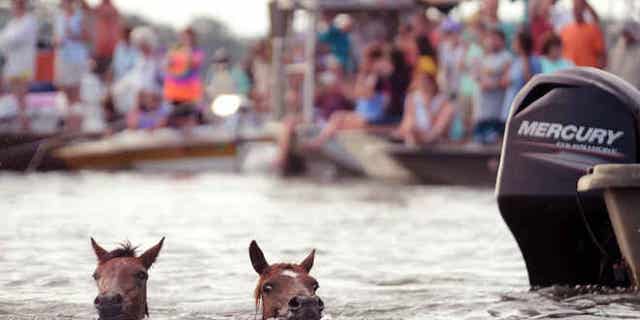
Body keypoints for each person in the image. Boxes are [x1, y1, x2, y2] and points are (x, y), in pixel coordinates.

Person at [305, 44, 393, 148]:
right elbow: (356, 94)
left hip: (371, 117)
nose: (363, 62)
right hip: (363, 114)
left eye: (365, 59)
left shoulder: (376, 77)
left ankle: (319, 142)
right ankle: (320, 141)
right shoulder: (368, 76)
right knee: (337, 118)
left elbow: (364, 95)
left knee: (338, 119)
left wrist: (361, 79)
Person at [0, 0, 38, 131]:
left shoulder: (29, 21)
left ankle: (25, 124)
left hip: (24, 65)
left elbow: (14, 38)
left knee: (21, 94)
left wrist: (6, 41)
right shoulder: (13, 23)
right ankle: (22, 122)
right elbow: (4, 40)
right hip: (13, 64)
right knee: (16, 95)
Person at [394, 72, 454, 146]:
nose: (424, 85)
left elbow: (439, 128)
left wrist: (427, 107)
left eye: (426, 82)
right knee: (409, 130)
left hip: (433, 137)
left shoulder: (445, 103)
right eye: (421, 81)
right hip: (416, 134)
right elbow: (407, 121)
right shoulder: (411, 98)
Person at [54, 0, 90, 125]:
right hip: (62, 57)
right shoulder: (59, 17)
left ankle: (77, 122)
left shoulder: (80, 16)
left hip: (77, 58)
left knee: (76, 91)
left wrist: (73, 35)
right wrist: (57, 41)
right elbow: (56, 38)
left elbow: (86, 37)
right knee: (65, 89)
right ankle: (70, 119)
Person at [474, 28, 511, 144]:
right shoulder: (482, 56)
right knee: (480, 140)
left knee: (494, 140)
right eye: (491, 39)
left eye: (496, 39)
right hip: (482, 108)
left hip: (497, 109)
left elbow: (506, 80)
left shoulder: (506, 57)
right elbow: (477, 76)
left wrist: (493, 84)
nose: (492, 42)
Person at [164, 28, 205, 127]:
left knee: (192, 118)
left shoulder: (197, 52)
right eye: (184, 37)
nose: (186, 39)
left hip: (190, 94)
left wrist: (187, 50)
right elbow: (167, 65)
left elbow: (194, 63)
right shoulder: (174, 51)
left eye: (189, 37)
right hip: (174, 94)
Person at [502, 30, 542, 120]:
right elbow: (504, 82)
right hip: (510, 106)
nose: (512, 43)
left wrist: (525, 57)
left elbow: (530, 82)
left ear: (522, 44)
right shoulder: (514, 61)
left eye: (515, 41)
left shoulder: (534, 60)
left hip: (524, 108)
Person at [560, 0, 605, 68]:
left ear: (584, 10)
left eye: (579, 8)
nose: (577, 11)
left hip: (587, 73)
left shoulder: (593, 29)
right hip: (569, 72)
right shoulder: (565, 30)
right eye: (575, 8)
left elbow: (601, 54)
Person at [607, 21, 640, 89]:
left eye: (629, 33)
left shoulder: (637, 52)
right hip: (614, 86)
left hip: (632, 90)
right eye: (625, 33)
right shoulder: (618, 47)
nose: (626, 36)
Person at [92, 0, 121, 77]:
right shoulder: (100, 7)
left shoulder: (113, 9)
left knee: (107, 74)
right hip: (100, 50)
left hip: (110, 50)